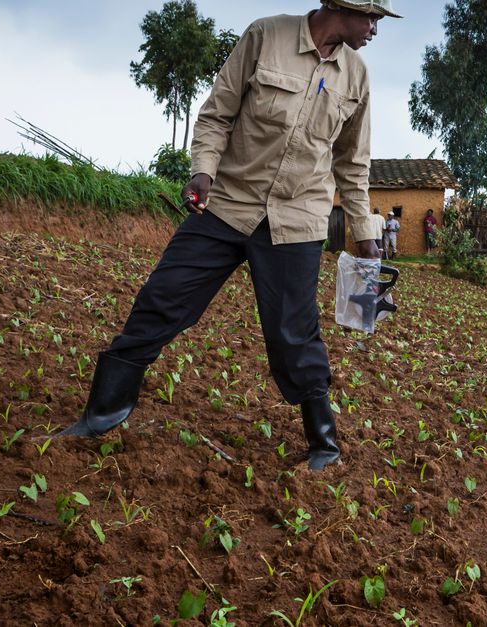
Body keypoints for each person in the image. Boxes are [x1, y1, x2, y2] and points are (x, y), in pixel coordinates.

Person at [57, 0, 403, 473]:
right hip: (227, 204)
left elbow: (352, 163)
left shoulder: (356, 76)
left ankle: (324, 445)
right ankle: (101, 414)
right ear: (340, 6)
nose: (375, 29)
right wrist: (203, 170)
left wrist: (364, 233)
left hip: (297, 220)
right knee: (162, 297)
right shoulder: (265, 36)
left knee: (295, 335)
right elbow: (217, 114)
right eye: (372, 17)